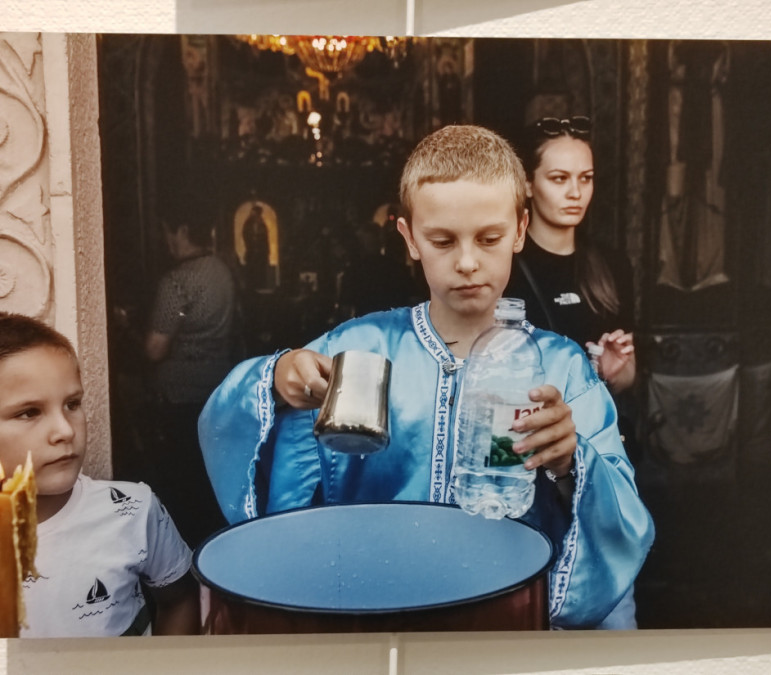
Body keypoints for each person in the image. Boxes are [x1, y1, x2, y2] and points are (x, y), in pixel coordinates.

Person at [198, 125, 654, 629]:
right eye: (442, 240)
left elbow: (622, 516)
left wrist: (572, 460)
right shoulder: (359, 348)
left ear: (520, 230)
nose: (466, 262)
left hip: (502, 616)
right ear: (409, 237)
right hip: (373, 610)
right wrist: (277, 377)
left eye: (489, 238)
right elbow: (238, 430)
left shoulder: (561, 367)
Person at [0, 312, 199, 637]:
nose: (65, 430)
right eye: (29, 412)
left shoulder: (132, 509)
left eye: (72, 404)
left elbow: (181, 600)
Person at [507, 116, 637, 397]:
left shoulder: (613, 266)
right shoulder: (503, 266)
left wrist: (610, 371)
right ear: (528, 184)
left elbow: (628, 377)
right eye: (559, 179)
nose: (575, 193)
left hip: (592, 432)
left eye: (585, 178)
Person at [145, 209, 235, 547]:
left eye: (168, 231)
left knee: (182, 480)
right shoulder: (223, 271)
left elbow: (155, 348)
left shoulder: (177, 282)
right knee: (210, 476)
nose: (166, 241)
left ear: (182, 228)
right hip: (217, 383)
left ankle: (187, 550)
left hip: (180, 393)